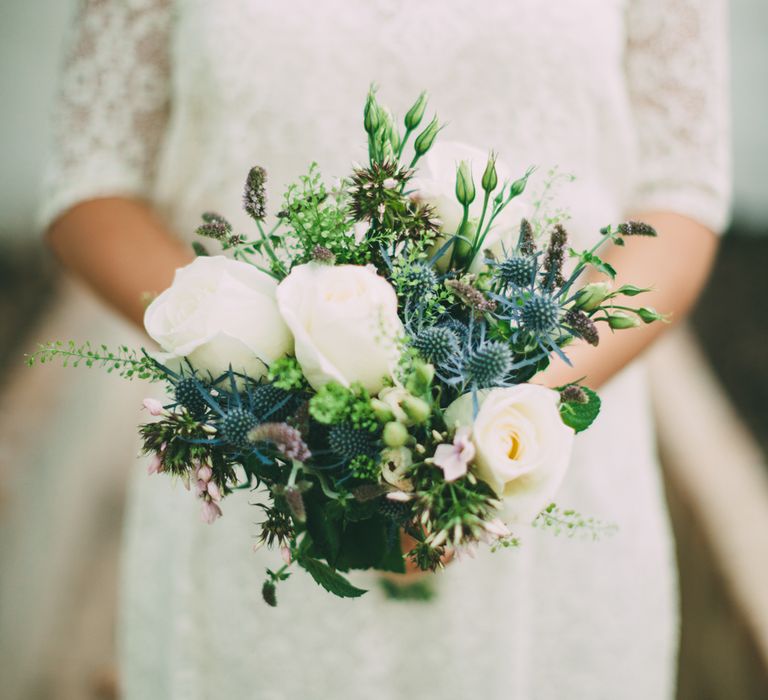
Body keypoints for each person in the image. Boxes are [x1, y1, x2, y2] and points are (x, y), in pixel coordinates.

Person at [41, 1, 730, 698]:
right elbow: (91, 181)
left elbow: (681, 192)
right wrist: (273, 379)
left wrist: (493, 424)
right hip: (255, 462)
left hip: (549, 468)